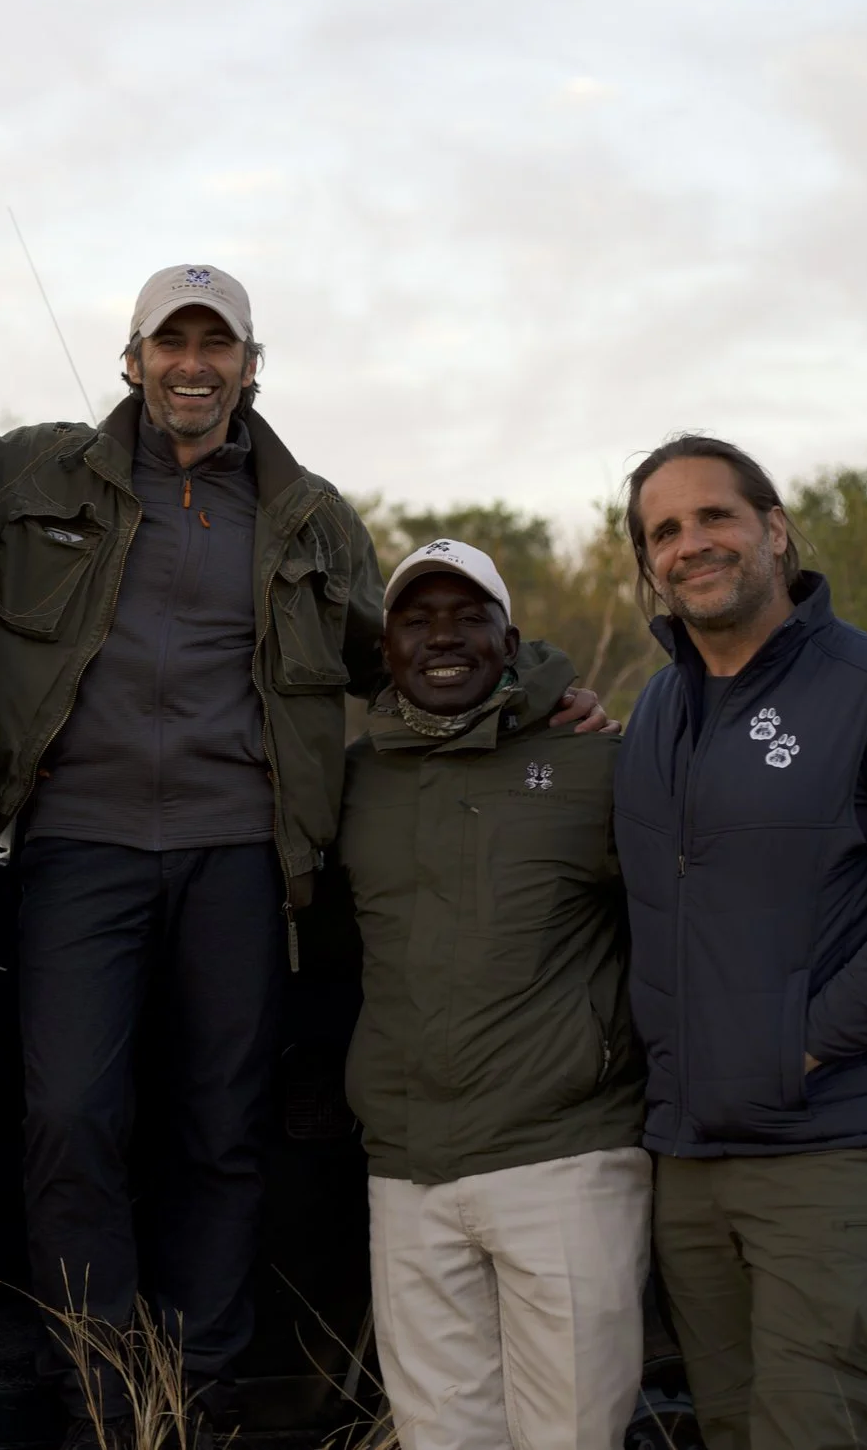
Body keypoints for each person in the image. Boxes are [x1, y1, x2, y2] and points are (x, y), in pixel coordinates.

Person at [0, 266, 605, 1438]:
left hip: (241, 854)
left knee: (223, 1122)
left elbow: (408, 650)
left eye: (219, 343)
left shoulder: (311, 517)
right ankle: (103, 1392)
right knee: (69, 1115)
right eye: (172, 340)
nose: (193, 362)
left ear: (250, 366)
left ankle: (199, 1389)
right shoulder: (38, 472)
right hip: (76, 845)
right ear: (133, 359)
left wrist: (545, 690)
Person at [617, 435, 867, 1450]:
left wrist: (798, 1046)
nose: (690, 542)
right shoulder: (656, 709)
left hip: (828, 1148)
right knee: (729, 1429)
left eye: (714, 516)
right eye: (664, 529)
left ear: (773, 530)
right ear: (647, 561)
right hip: (687, 1160)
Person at [337, 539, 647, 1450]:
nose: (444, 638)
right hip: (406, 1168)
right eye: (417, 619)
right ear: (385, 647)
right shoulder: (358, 780)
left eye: (469, 617)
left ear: (510, 641)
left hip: (563, 1159)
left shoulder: (597, 764)